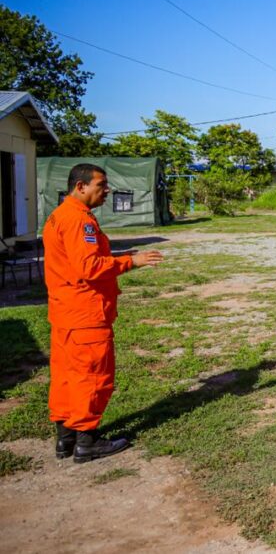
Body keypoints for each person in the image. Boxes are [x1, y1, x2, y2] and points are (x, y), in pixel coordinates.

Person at [44, 164, 164, 462]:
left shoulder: (60, 215)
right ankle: (87, 441)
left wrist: (123, 257)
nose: (107, 190)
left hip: (65, 312)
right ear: (80, 186)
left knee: (67, 376)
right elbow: (89, 267)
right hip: (86, 313)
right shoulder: (78, 220)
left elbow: (80, 261)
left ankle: (66, 438)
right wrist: (131, 262)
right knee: (93, 376)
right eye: (101, 184)